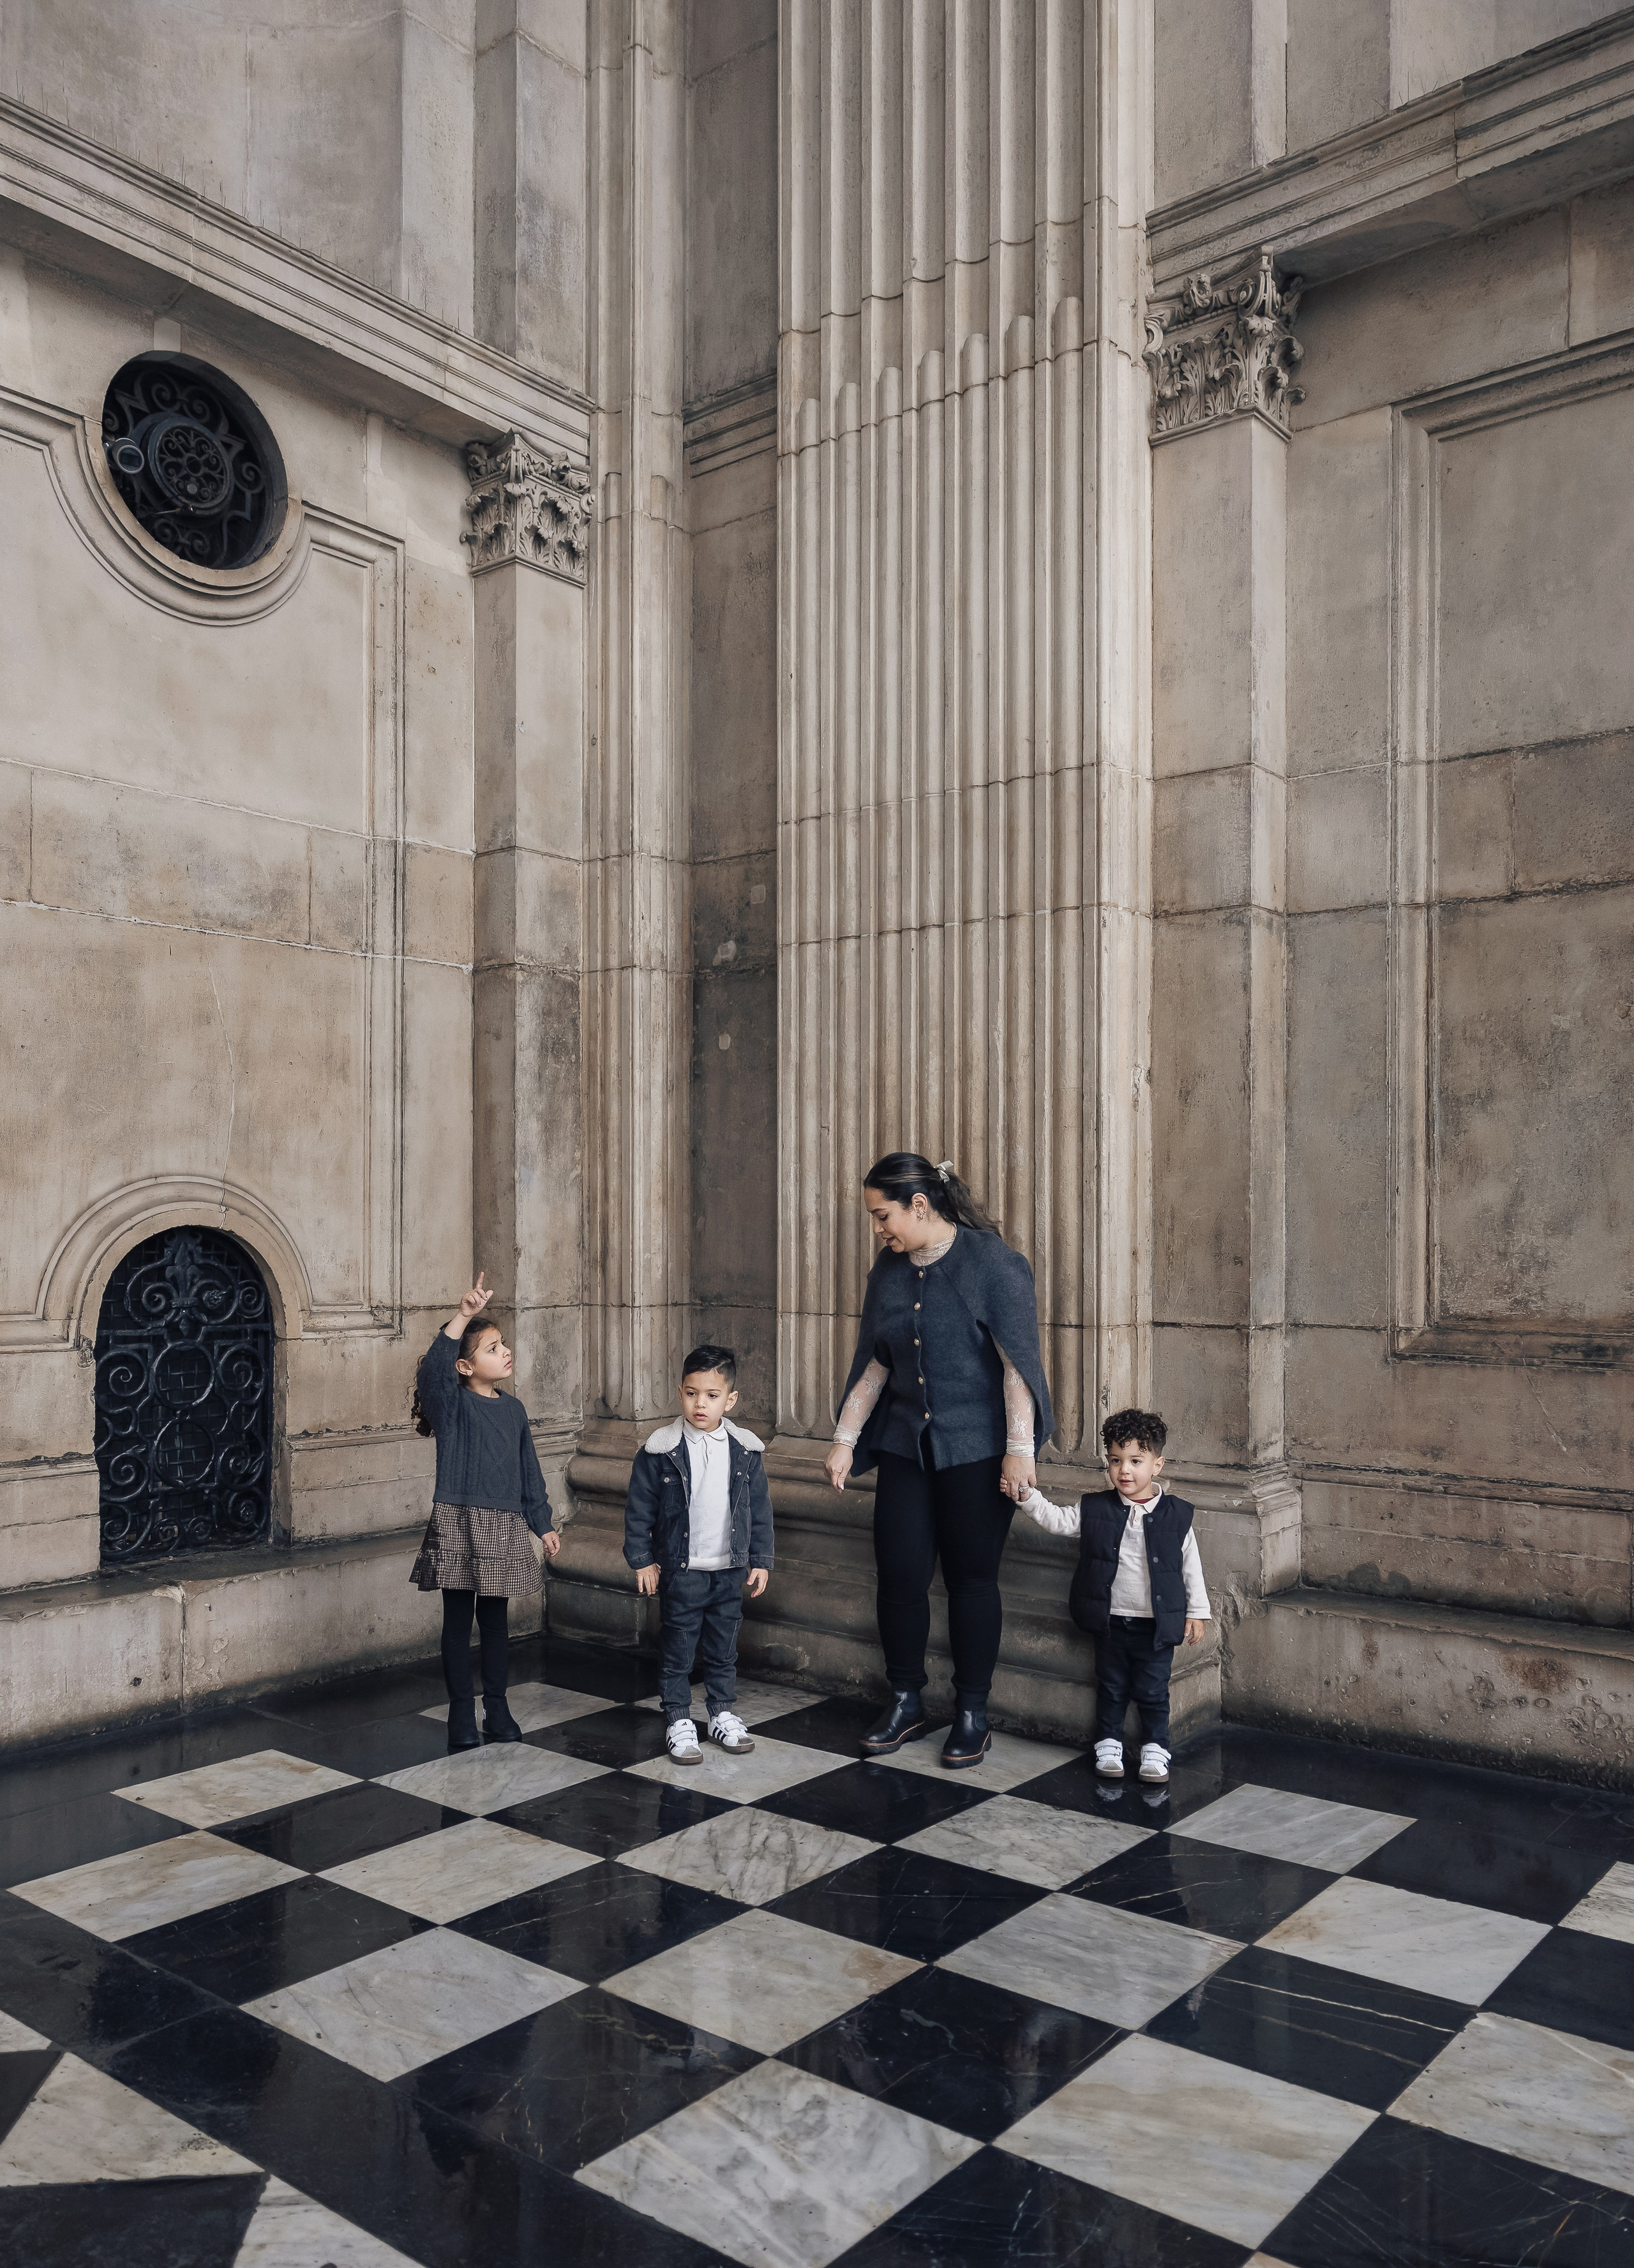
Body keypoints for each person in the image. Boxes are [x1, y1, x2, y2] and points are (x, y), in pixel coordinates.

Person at [824, 1152, 1053, 1769]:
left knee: (971, 1580)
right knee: (899, 1574)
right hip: (906, 1446)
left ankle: (972, 1714)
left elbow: (1016, 1367)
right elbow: (876, 1359)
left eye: (883, 1216)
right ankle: (906, 1699)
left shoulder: (995, 1265)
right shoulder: (890, 1270)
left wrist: (1019, 1452)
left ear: (919, 1205)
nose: (879, 1230)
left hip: (980, 1453)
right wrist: (846, 1437)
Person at [1017, 1406, 1210, 1785]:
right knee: (1111, 1685)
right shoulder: (1096, 1508)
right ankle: (1109, 1744)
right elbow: (1058, 1521)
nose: (1125, 1471)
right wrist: (1028, 1497)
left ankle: (1156, 1749)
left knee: (1154, 1690)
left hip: (1156, 1625)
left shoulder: (1176, 1516)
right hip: (1111, 1620)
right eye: (1116, 1460)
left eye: (1136, 1460)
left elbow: (1191, 1567)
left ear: (1157, 1464)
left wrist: (1197, 1612)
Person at [410, 1274, 560, 1752]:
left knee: (495, 1622)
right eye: (493, 1347)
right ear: (466, 1364)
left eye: (503, 1344)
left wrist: (543, 1523)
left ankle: (497, 1707)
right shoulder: (451, 1406)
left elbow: (528, 1472)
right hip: (459, 1520)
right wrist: (463, 1315)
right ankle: (461, 1713)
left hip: (504, 1525)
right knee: (458, 1621)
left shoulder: (514, 1411)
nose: (505, 1351)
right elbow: (432, 1373)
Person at [624, 1344, 774, 1764]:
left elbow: (759, 1509)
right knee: (680, 1644)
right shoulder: (662, 1450)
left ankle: (722, 1711)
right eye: (691, 1393)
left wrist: (760, 1559)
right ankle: (678, 1717)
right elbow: (639, 1508)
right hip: (682, 1569)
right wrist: (642, 1558)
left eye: (711, 1395)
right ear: (680, 1392)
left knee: (724, 1647)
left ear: (730, 1399)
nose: (700, 1404)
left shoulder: (745, 1449)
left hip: (729, 1569)